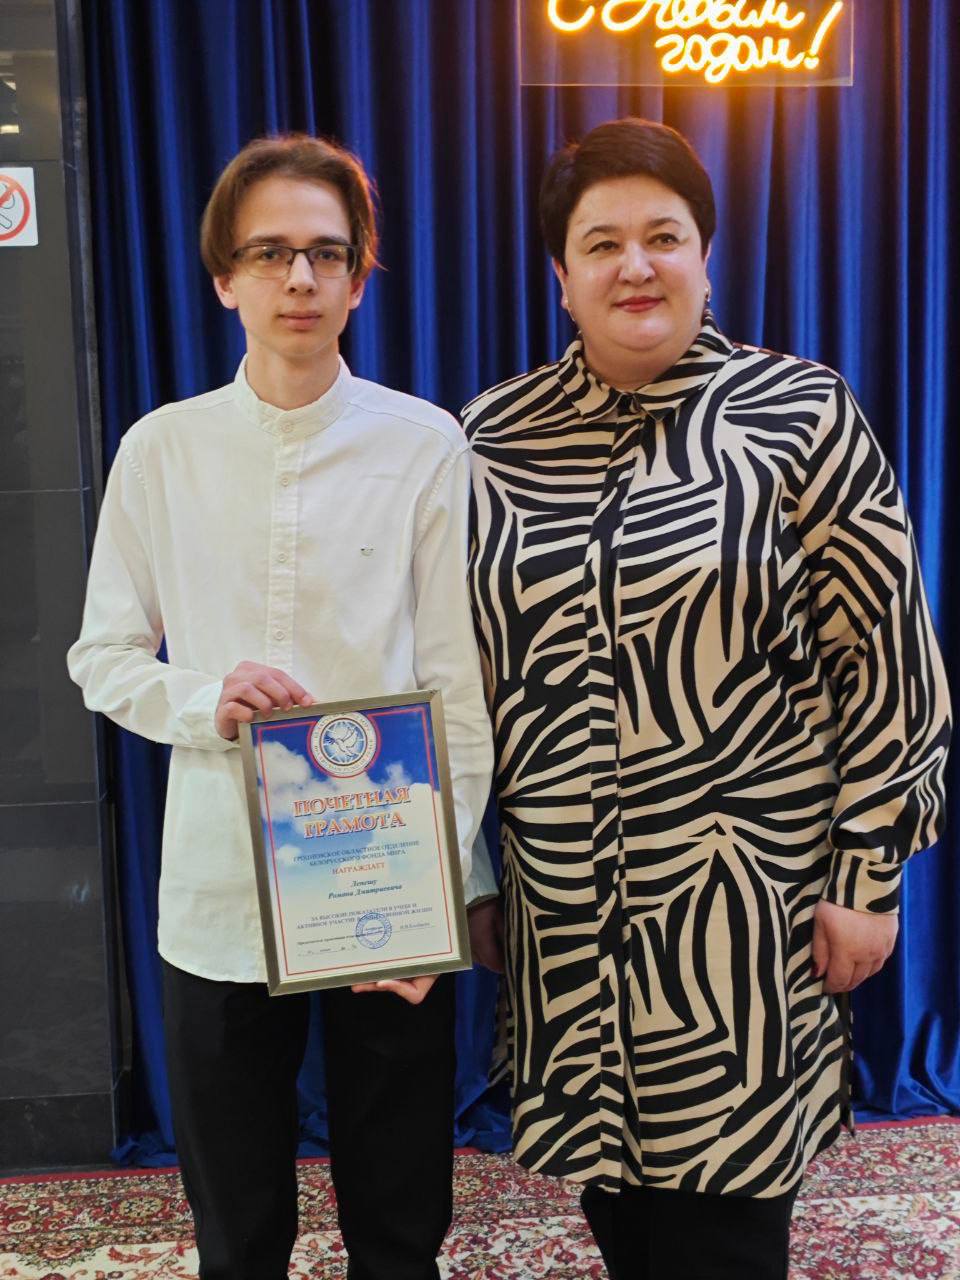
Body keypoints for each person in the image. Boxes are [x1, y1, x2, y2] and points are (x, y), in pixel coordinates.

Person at [462, 117, 950, 1280]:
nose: (636, 265)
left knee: (725, 1232)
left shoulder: (799, 414)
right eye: (602, 243)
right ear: (561, 276)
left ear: (706, 256)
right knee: (623, 1219)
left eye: (664, 236)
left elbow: (885, 658)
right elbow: (453, 671)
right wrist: (468, 874)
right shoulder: (488, 437)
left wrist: (868, 875)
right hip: (567, 920)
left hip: (744, 921)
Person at [68, 133, 497, 1280]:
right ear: (224, 278)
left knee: (399, 1218)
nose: (299, 278)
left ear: (360, 275)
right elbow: (101, 655)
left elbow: (460, 686)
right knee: (238, 1223)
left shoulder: (427, 444)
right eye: (269, 253)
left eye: (326, 253)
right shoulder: (161, 451)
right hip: (218, 884)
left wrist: (447, 885)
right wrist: (204, 696)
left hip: (384, 882)